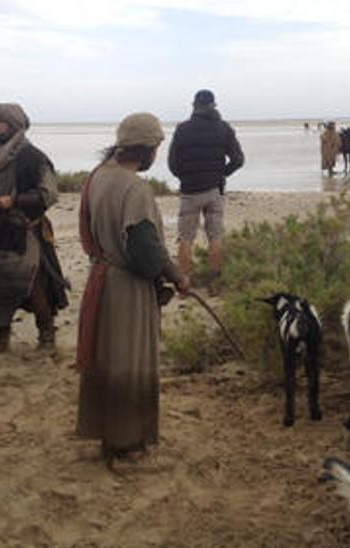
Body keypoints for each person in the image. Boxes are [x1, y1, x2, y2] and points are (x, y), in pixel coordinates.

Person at [76, 112, 189, 465]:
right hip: (126, 287)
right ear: (146, 149)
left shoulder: (96, 178)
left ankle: (109, 438)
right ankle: (126, 444)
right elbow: (144, 246)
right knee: (129, 361)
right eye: (156, 146)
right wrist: (177, 275)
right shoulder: (135, 187)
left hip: (102, 279)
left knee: (107, 360)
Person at [0, 103, 69, 357]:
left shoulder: (33, 157)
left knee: (34, 286)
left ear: (14, 126)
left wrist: (14, 201)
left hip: (25, 230)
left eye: (1, 121)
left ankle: (47, 339)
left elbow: (49, 194)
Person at [167, 89, 244, 280]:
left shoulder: (182, 129)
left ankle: (184, 283)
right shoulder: (223, 128)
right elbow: (238, 159)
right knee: (215, 237)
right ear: (213, 106)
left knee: (185, 238)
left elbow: (173, 164)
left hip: (190, 191)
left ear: (194, 106)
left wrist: (185, 177)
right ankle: (214, 283)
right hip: (214, 189)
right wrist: (222, 173)